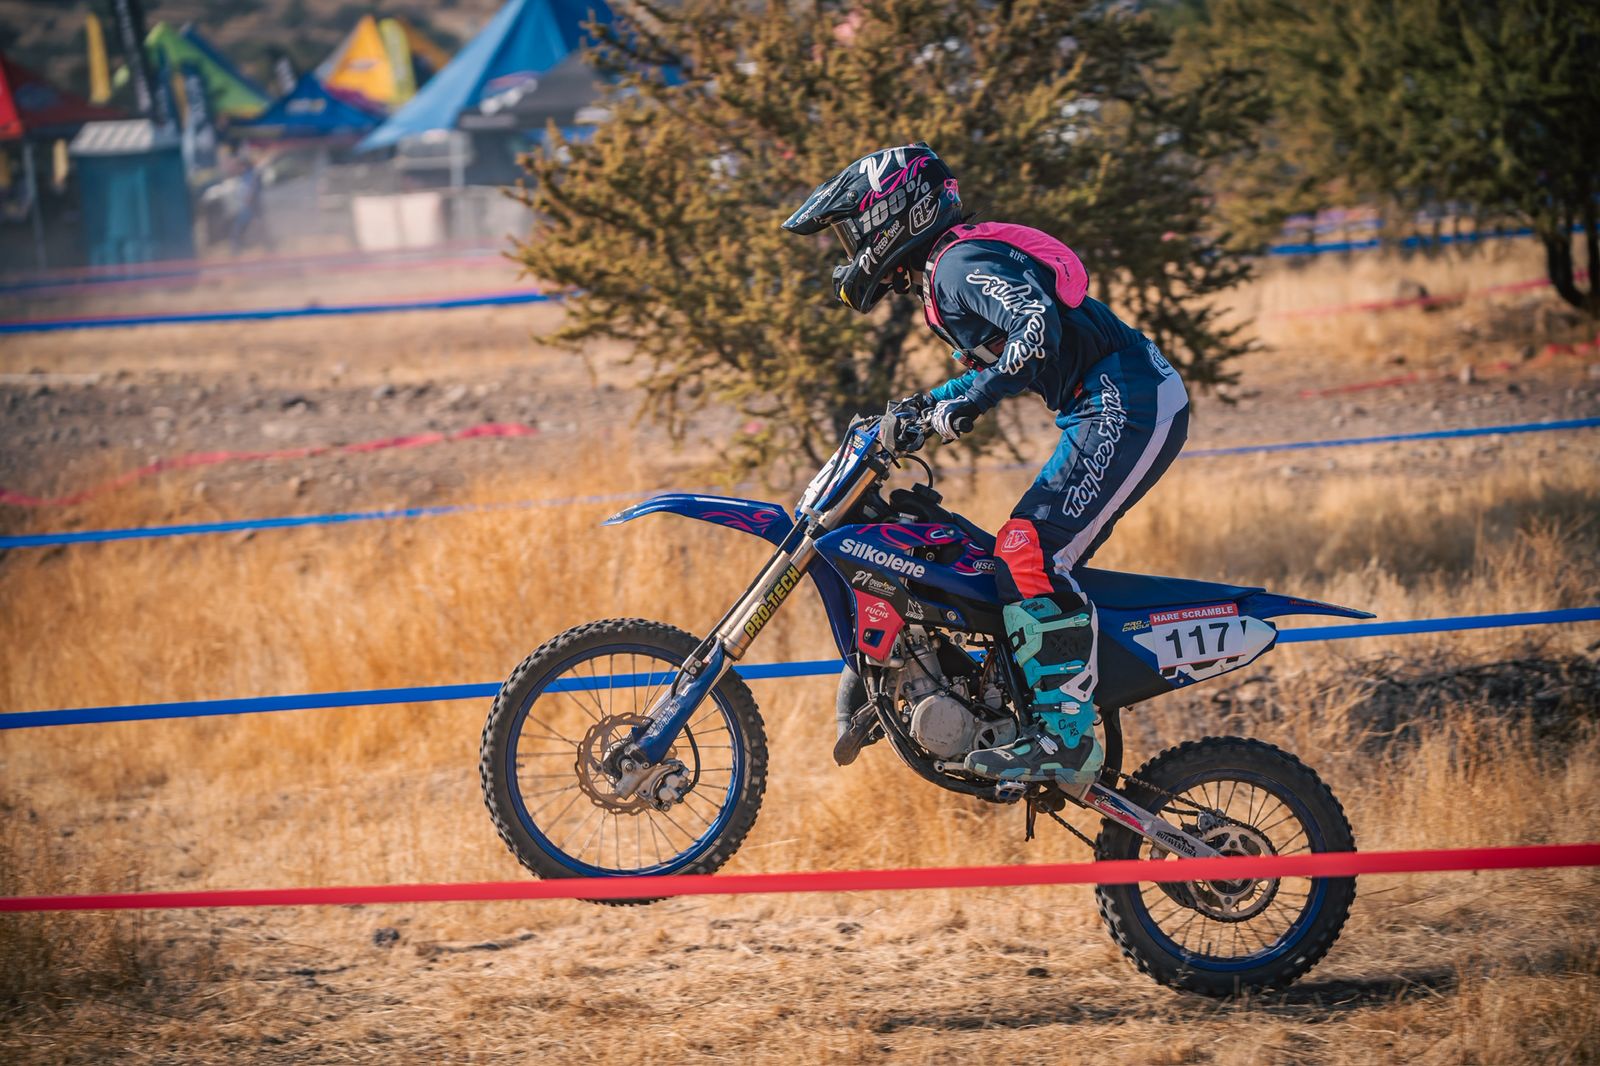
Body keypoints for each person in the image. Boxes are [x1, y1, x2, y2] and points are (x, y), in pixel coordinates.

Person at [783, 142, 1189, 793]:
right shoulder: (948, 270)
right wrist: (914, 410)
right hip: (1108, 402)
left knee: (1028, 551)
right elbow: (998, 360)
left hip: (1125, 400)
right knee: (1007, 554)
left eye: (854, 229)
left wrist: (968, 399)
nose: (851, 247)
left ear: (894, 215)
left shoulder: (958, 265)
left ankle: (1063, 738)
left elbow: (1036, 327)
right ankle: (1021, 705)